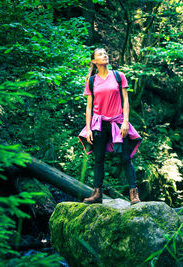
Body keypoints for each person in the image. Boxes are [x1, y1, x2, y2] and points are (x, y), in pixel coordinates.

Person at [78, 48, 142, 205]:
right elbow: (89, 107)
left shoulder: (118, 76)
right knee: (99, 159)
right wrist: (88, 129)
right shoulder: (92, 81)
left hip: (118, 122)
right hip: (99, 124)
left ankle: (134, 194)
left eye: (105, 53)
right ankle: (97, 194)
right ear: (94, 61)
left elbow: (126, 100)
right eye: (100, 54)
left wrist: (125, 122)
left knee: (126, 158)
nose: (105, 55)